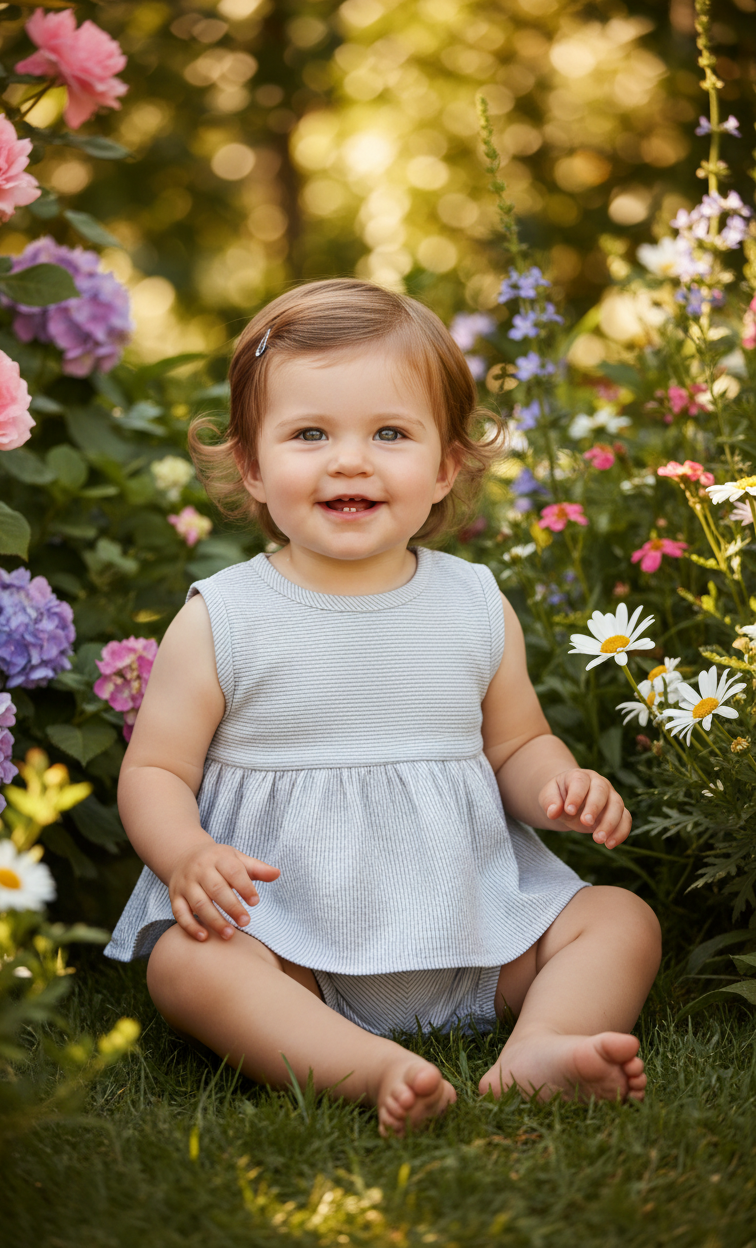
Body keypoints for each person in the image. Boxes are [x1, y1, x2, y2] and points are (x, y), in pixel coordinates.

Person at [104, 278, 661, 1137]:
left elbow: (517, 746)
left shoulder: (474, 602)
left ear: (445, 467)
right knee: (186, 966)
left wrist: (560, 784)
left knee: (619, 919)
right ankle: (368, 1067)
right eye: (310, 433)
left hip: (475, 928)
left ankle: (541, 1045)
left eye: (390, 433)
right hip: (293, 947)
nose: (350, 460)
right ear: (251, 463)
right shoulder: (223, 616)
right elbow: (154, 769)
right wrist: (187, 856)